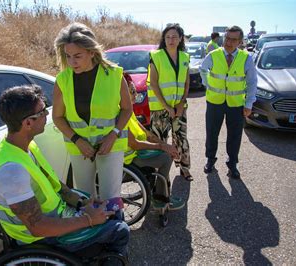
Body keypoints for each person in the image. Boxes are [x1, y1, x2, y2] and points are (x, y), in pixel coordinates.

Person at [0, 85, 129, 257]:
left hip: (60, 216)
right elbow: (38, 227)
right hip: (44, 238)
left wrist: (81, 202)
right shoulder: (10, 172)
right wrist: (88, 220)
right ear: (28, 123)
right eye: (42, 111)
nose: (47, 115)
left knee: (114, 209)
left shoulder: (25, 146)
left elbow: (54, 184)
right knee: (120, 230)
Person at [52, 22, 132, 202]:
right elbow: (57, 117)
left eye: (78, 56)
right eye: (68, 56)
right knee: (85, 198)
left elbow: (127, 109)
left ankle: (114, 229)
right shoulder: (62, 80)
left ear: (91, 52)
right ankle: (95, 229)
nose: (72, 62)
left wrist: (113, 135)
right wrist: (78, 141)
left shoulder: (114, 75)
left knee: (110, 199)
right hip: (79, 147)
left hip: (110, 144)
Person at [199, 25, 257, 179]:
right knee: (212, 133)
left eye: (233, 39)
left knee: (235, 136)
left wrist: (249, 104)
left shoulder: (246, 58)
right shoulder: (213, 54)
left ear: (240, 41)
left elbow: (252, 82)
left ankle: (232, 164)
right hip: (214, 102)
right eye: (227, 38)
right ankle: (210, 160)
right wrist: (208, 84)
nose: (229, 42)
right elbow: (202, 69)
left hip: (236, 104)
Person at [124, 74, 185, 210]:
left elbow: (148, 135)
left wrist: (166, 146)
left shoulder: (129, 112)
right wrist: (162, 147)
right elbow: (134, 144)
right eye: (132, 91)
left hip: (138, 152)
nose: (135, 94)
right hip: (129, 159)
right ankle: (160, 197)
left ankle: (162, 194)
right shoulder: (121, 115)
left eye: (135, 91)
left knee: (167, 153)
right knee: (165, 158)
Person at [147, 23, 192, 181]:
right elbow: (153, 83)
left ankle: (185, 169)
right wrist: (167, 107)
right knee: (158, 141)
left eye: (174, 37)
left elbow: (187, 83)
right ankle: (156, 173)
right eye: (167, 37)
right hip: (160, 107)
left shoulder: (185, 57)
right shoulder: (156, 55)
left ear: (180, 39)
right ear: (164, 39)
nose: (171, 40)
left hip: (179, 107)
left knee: (181, 138)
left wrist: (180, 104)